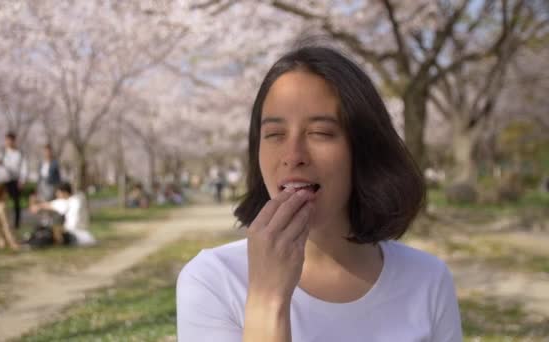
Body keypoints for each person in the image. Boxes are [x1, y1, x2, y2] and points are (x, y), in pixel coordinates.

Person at [176, 46, 462, 341]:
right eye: (274, 135)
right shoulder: (212, 280)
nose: (293, 156)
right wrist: (267, 298)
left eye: (321, 133)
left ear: (364, 149)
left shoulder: (427, 278)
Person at [29, 182, 96, 246]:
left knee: (46, 232)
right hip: (85, 235)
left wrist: (36, 204)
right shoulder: (78, 198)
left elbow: (49, 205)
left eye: (58, 193)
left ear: (65, 193)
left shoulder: (67, 202)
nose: (57, 196)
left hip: (74, 235)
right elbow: (52, 204)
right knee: (46, 230)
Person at [2, 132, 28, 229]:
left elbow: (23, 168)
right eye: (7, 140)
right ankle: (4, 222)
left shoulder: (19, 153)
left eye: (10, 140)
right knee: (3, 203)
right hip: (4, 180)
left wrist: (22, 180)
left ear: (14, 141)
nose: (8, 142)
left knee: (16, 203)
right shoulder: (3, 152)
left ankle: (16, 224)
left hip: (15, 180)